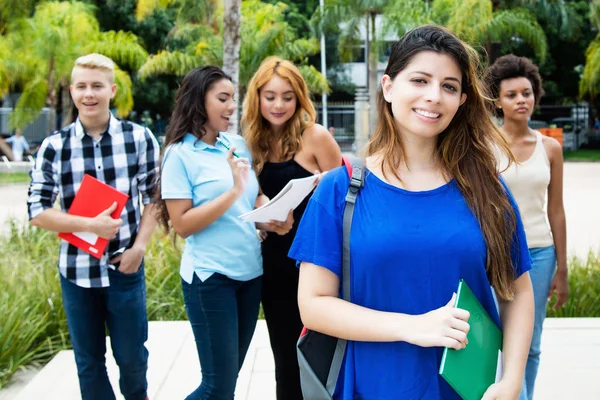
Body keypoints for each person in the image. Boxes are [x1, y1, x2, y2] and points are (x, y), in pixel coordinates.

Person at [289, 25, 535, 400]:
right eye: (420, 80)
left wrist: (512, 381)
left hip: (465, 390)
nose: (434, 96)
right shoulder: (339, 189)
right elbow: (314, 306)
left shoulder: (488, 190)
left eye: (449, 86)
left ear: (462, 100)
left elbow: (516, 291)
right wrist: (413, 327)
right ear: (389, 87)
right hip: (371, 387)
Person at [155, 65, 293, 400]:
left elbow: (254, 196)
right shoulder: (179, 155)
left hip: (250, 276)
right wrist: (232, 191)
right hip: (210, 279)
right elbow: (184, 224)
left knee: (226, 382)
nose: (233, 106)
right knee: (217, 386)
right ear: (198, 101)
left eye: (233, 98)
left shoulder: (236, 144)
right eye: (223, 98)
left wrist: (271, 217)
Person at [27, 53, 159, 400]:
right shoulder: (54, 147)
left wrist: (139, 249)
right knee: (89, 363)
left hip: (125, 268)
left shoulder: (140, 138)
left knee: (132, 360)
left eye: (97, 86)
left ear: (111, 90)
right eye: (82, 86)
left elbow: (155, 199)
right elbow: (37, 211)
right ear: (72, 91)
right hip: (76, 272)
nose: (90, 94)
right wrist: (89, 224)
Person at [241, 56, 342, 400]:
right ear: (257, 97)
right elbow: (250, 198)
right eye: (270, 96)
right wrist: (261, 213)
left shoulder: (315, 137)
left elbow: (343, 200)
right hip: (273, 265)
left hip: (315, 264)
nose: (279, 104)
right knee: (284, 360)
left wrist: (299, 219)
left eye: (288, 96)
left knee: (321, 357)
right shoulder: (250, 142)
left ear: (299, 98)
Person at [486, 54, 569, 400]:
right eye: (512, 95)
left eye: (527, 92)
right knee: (493, 340)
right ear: (498, 101)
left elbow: (556, 211)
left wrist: (561, 269)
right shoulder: (484, 147)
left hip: (538, 254)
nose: (522, 100)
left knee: (530, 344)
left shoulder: (550, 148)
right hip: (493, 256)